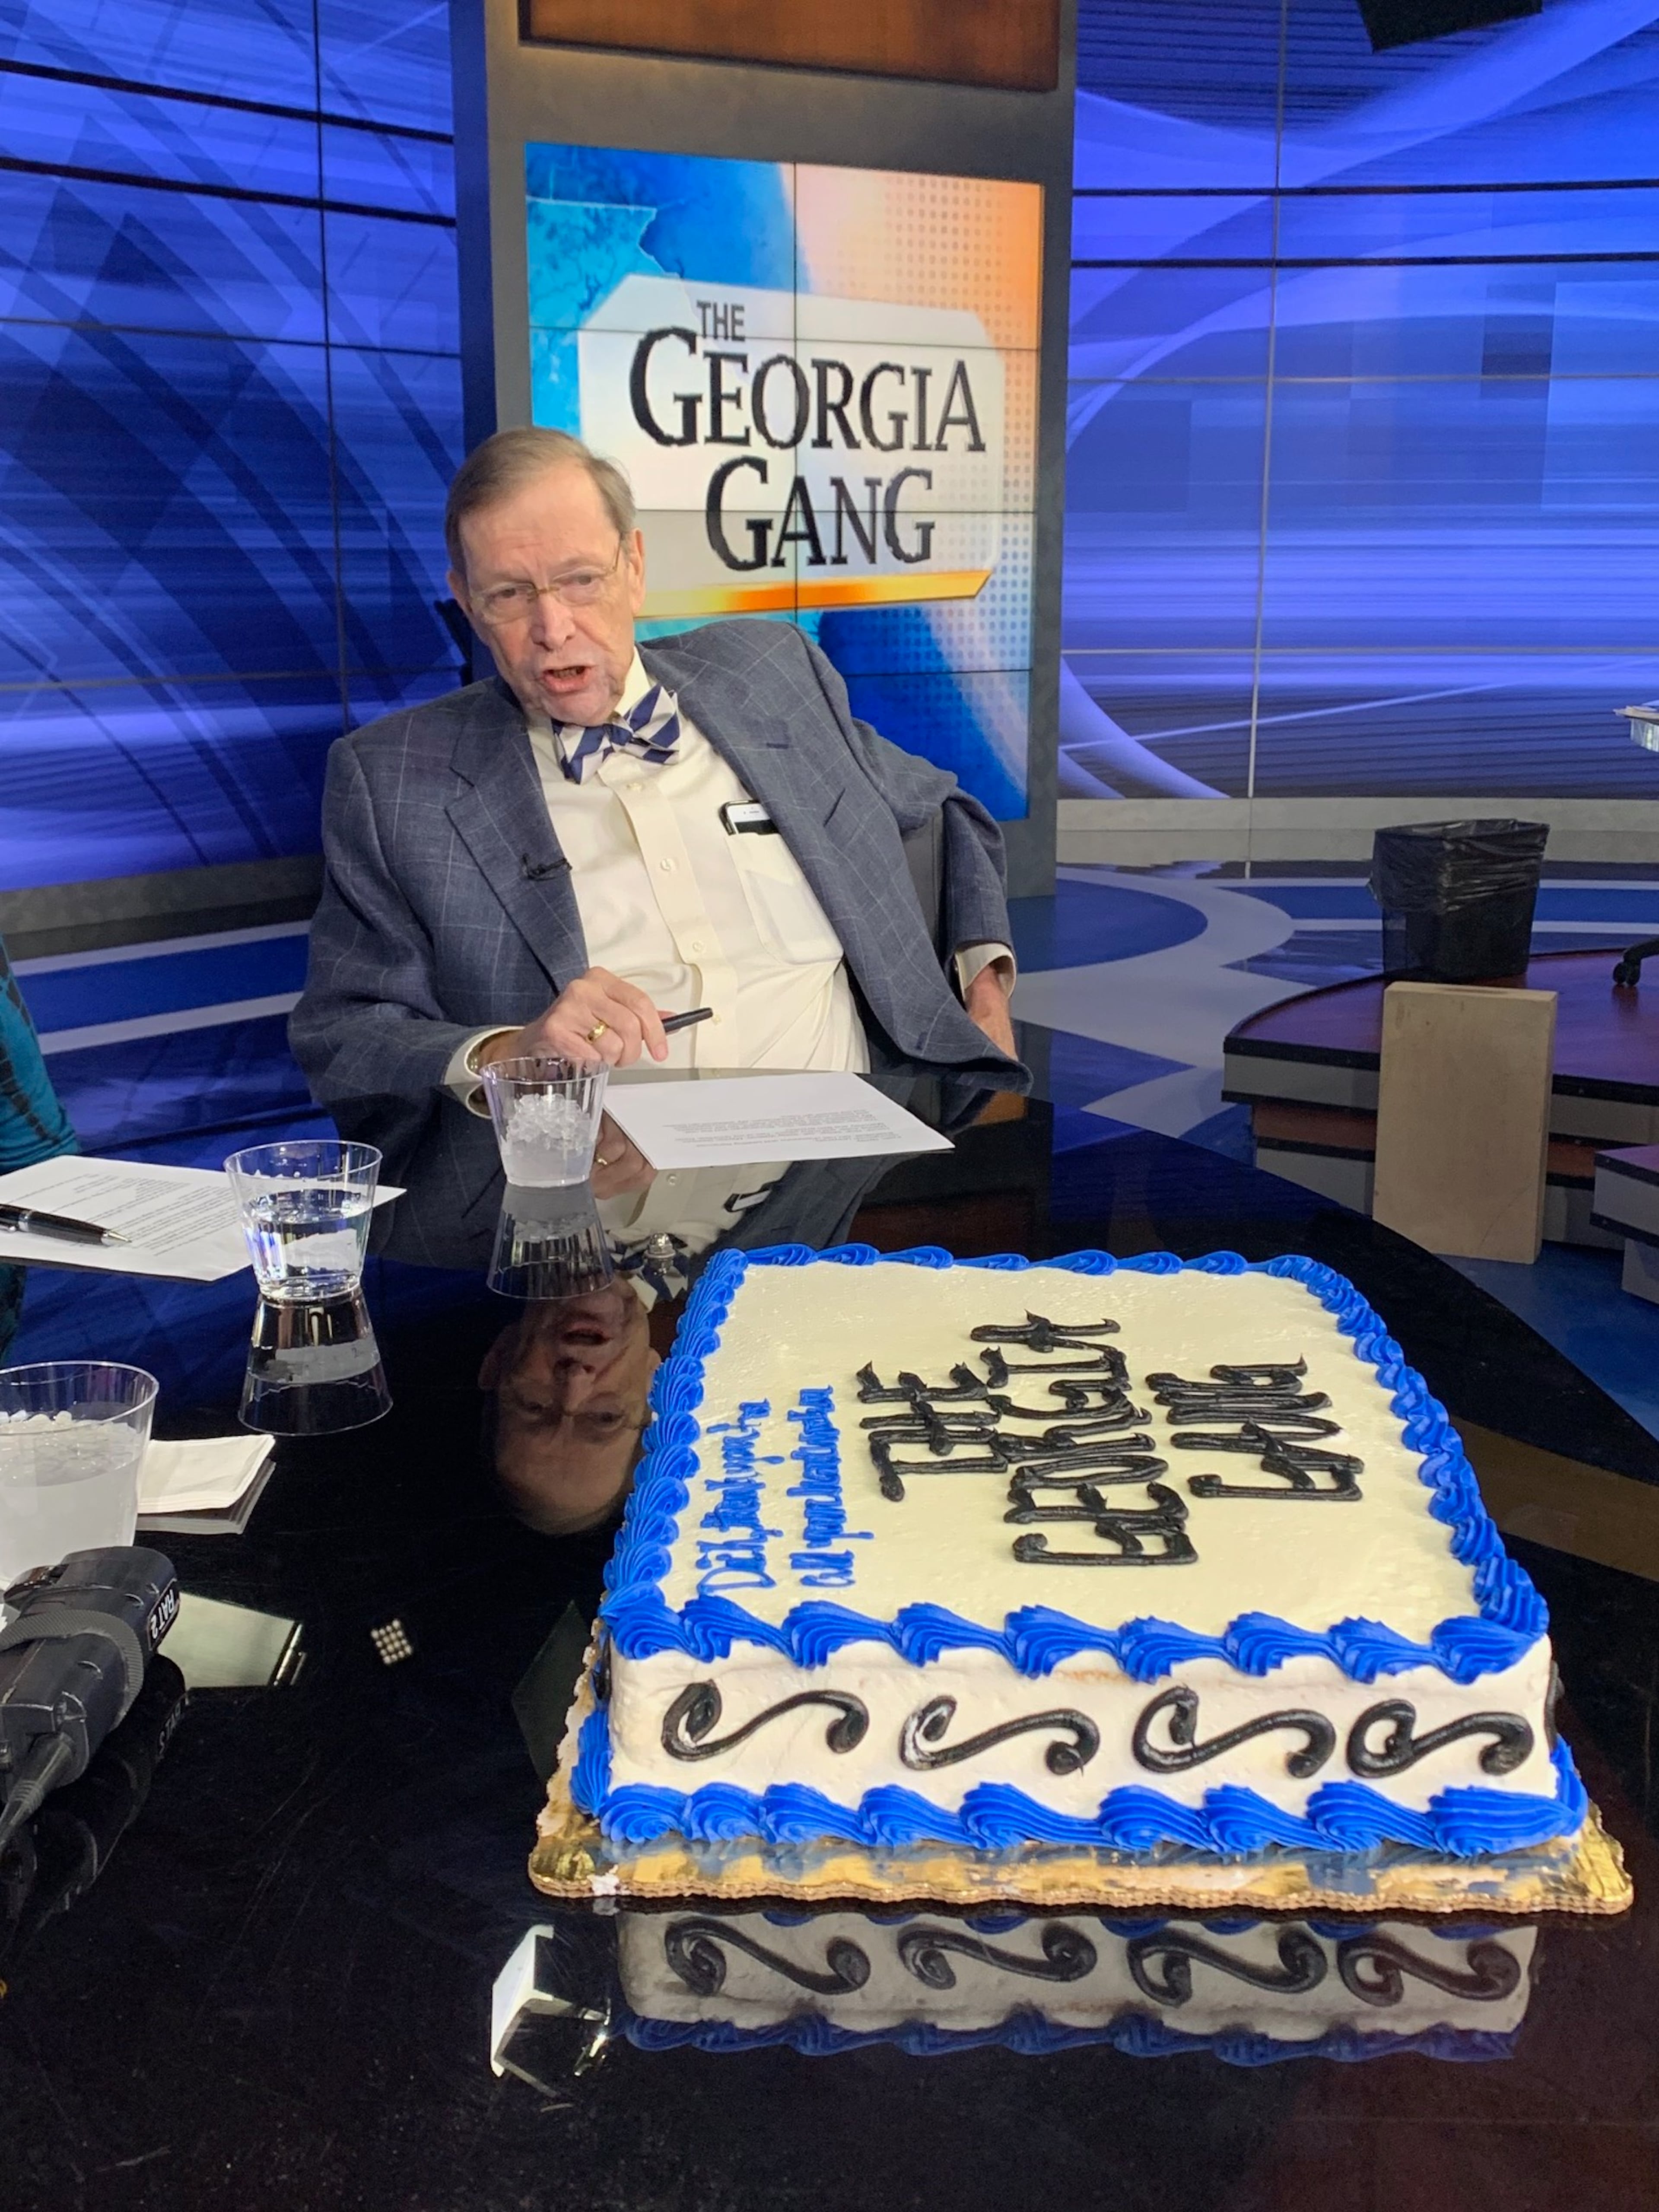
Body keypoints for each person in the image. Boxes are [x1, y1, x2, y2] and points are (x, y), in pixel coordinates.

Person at [291, 428, 1019, 1156]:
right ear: (467, 603)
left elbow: (943, 813)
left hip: (842, 1164)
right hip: (609, 1203)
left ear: (633, 567)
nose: (553, 627)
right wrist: (508, 1054)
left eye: (581, 579)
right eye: (510, 595)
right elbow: (345, 1038)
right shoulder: (393, 780)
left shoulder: (771, 673)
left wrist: (985, 991)